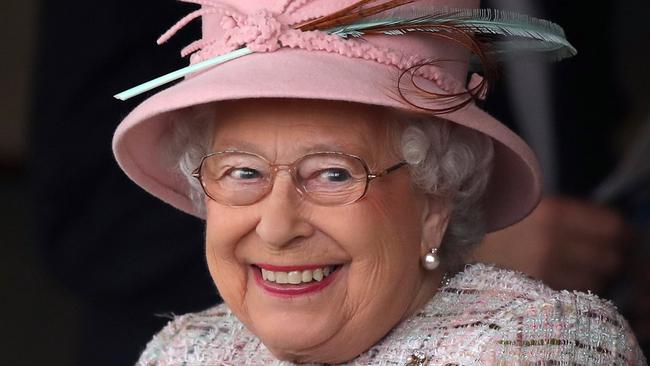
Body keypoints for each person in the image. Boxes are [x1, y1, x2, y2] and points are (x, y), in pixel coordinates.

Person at [111, 0, 647, 364]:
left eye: (332, 173)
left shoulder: (535, 345)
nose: (276, 227)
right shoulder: (185, 352)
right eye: (242, 172)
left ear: (435, 200)